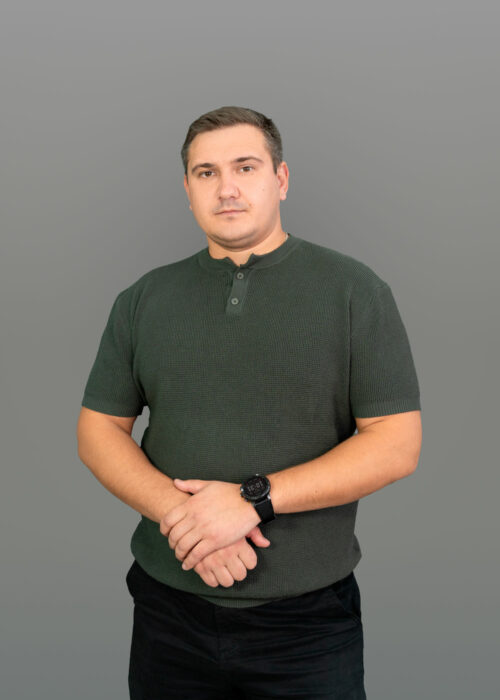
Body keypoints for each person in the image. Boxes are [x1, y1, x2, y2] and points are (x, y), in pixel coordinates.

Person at [77, 105, 422, 699]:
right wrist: (184, 519)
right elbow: (98, 429)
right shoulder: (142, 298)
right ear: (188, 190)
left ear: (280, 179)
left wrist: (251, 501)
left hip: (308, 625)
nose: (226, 188)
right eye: (206, 173)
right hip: (168, 613)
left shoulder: (355, 292)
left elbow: (395, 444)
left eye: (245, 167)